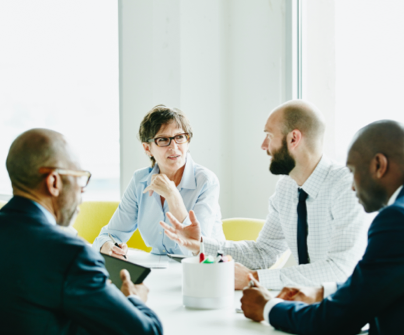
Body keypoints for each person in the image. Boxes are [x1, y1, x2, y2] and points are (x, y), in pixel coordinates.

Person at [160, 100, 369, 289]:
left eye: (269, 136)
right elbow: (263, 253)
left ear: (293, 138)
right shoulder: (286, 188)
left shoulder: (347, 187)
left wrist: (255, 279)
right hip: (310, 306)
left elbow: (342, 269)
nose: (263, 145)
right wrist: (201, 244)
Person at [0, 129, 162, 335]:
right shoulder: (70, 254)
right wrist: (133, 299)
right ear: (54, 182)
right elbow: (148, 331)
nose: (82, 189)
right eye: (80, 177)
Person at [240, 120, 404, 335]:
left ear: (378, 165)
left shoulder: (395, 220)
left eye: (353, 171)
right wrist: (321, 291)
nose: (352, 185)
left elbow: (335, 320)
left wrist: (267, 308)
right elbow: (379, 283)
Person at [93, 104, 225, 257]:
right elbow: (109, 235)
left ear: (187, 141)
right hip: (159, 269)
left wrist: (172, 196)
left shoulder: (206, 181)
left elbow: (198, 249)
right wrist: (109, 246)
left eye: (180, 137)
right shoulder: (140, 180)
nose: (174, 147)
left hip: (205, 270)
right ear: (147, 148)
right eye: (163, 140)